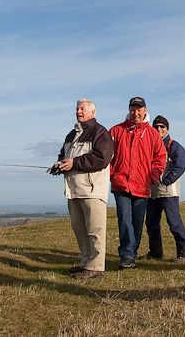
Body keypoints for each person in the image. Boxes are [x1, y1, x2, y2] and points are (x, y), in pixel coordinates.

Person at [54, 98, 114, 279]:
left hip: (92, 191)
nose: (78, 112)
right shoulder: (71, 134)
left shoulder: (100, 132)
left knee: (95, 230)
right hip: (73, 190)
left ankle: (96, 267)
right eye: (77, 109)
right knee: (80, 230)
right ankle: (85, 263)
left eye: (82, 109)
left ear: (92, 112)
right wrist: (59, 164)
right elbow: (65, 156)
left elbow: (102, 158)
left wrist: (74, 163)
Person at [109, 97, 166, 269]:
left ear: (145, 110)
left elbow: (160, 158)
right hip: (121, 184)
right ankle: (127, 255)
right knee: (124, 220)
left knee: (137, 223)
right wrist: (112, 174)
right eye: (133, 109)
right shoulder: (116, 130)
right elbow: (106, 155)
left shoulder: (152, 134)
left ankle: (131, 253)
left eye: (139, 109)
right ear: (129, 110)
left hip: (142, 187)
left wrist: (151, 177)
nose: (136, 113)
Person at [144, 115, 185, 262]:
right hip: (152, 192)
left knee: (174, 222)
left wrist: (167, 181)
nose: (159, 129)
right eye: (156, 127)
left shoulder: (174, 146)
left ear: (167, 129)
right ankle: (155, 252)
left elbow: (180, 166)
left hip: (169, 192)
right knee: (151, 223)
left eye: (162, 127)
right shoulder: (148, 146)